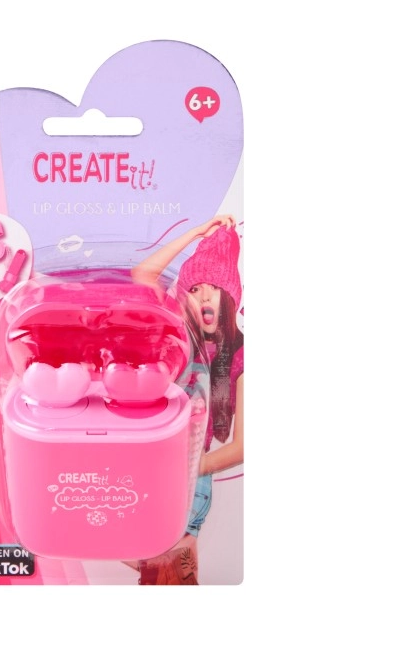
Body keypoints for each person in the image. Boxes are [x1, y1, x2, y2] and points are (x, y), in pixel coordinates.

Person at [130, 215, 244, 584]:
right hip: (148, 467)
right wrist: (195, 233)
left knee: (167, 579)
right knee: (166, 579)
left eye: (215, 288)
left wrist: (188, 469)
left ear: (230, 297)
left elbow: (243, 446)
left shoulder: (240, 358)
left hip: (187, 480)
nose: (205, 296)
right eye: (195, 288)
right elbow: (143, 276)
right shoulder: (175, 336)